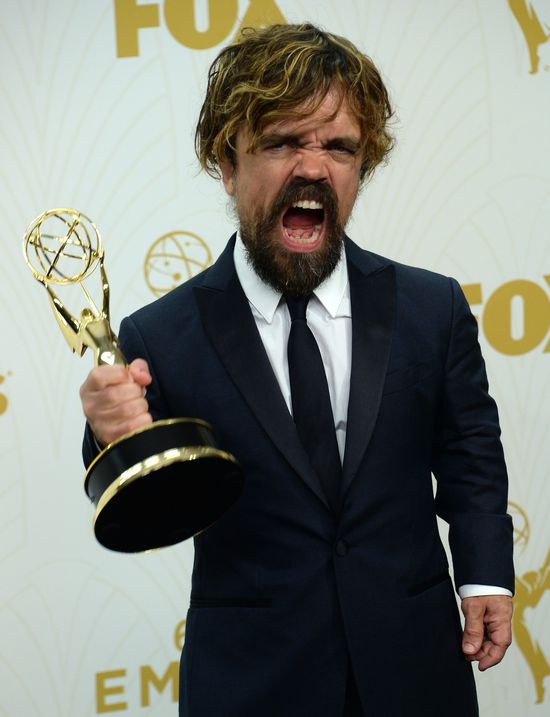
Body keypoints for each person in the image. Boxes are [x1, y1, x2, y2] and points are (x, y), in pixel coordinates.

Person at [80, 23, 514, 717]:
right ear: (227, 164)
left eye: (339, 147)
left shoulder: (432, 308)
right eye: (282, 141)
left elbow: (470, 456)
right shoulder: (158, 335)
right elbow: (141, 502)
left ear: (362, 168)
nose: (313, 168)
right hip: (251, 683)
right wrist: (113, 431)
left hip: (415, 670)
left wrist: (486, 574)